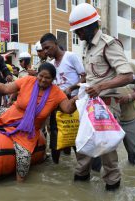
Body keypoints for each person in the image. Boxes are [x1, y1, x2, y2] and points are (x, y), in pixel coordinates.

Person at [69, 3, 133, 191]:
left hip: (107, 106)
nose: (77, 35)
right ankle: (79, 185)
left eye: (79, 31)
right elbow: (92, 77)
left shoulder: (108, 44)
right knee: (83, 146)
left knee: (108, 154)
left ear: (89, 27)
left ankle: (112, 188)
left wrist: (100, 87)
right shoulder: (87, 48)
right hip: (91, 106)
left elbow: (127, 75)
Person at [0, 62, 78, 182]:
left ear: (53, 79)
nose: (43, 80)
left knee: (23, 162)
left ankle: (19, 189)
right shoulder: (27, 80)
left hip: (28, 131)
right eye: (41, 76)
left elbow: (67, 109)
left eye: (48, 78)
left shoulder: (57, 92)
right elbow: (5, 89)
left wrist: (75, 101)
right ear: (37, 74)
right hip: (9, 115)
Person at [40, 33, 86, 164]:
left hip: (74, 103)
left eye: (47, 48)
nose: (45, 51)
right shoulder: (51, 64)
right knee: (55, 136)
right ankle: (56, 169)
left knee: (77, 137)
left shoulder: (71, 57)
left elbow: (85, 77)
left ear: (55, 43)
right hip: (57, 104)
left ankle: (82, 167)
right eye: (44, 49)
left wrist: (71, 88)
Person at [118, 63, 135, 165]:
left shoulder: (131, 66)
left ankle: (133, 174)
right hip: (107, 119)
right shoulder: (102, 67)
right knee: (100, 156)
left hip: (129, 117)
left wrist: (129, 97)